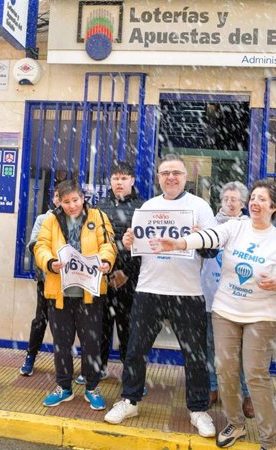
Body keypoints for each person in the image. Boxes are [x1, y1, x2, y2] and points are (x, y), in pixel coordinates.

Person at [150, 179, 276, 450]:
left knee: (255, 374)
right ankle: (236, 423)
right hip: (226, 311)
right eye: (253, 197)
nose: (255, 202)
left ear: (274, 207)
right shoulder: (236, 226)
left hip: (263, 315)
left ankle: (270, 439)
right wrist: (179, 243)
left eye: (262, 199)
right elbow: (209, 236)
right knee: (226, 371)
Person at [104, 154, 217, 438]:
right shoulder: (148, 206)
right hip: (149, 289)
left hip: (188, 292)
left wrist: (200, 236)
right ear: (157, 177)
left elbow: (213, 249)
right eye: (165, 172)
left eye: (176, 172)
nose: (170, 177)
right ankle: (129, 400)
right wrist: (129, 243)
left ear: (185, 176)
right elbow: (139, 248)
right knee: (135, 350)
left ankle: (198, 409)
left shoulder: (199, 207)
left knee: (195, 355)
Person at [33, 180, 116, 411]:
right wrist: (50, 262)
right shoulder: (50, 219)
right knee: (61, 343)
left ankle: (92, 387)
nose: (72, 206)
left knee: (91, 343)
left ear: (83, 198)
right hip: (59, 291)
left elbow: (108, 245)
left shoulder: (98, 217)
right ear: (59, 200)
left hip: (90, 292)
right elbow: (40, 246)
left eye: (76, 200)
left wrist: (107, 261)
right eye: (67, 201)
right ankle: (64, 387)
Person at [79, 162, 144, 384]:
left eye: (124, 178)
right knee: (101, 327)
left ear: (132, 181)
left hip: (130, 281)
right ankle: (98, 369)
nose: (119, 182)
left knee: (128, 330)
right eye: (115, 178)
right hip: (102, 277)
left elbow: (143, 248)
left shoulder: (143, 208)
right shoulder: (99, 207)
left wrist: (126, 272)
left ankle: (131, 377)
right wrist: (104, 271)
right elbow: (93, 242)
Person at [199, 181, 254, 417]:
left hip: (240, 298)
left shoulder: (251, 227)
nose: (230, 203)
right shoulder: (210, 224)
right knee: (211, 345)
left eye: (235, 199)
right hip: (212, 295)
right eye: (226, 199)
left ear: (243, 203)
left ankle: (246, 392)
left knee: (243, 349)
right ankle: (212, 387)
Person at [19, 188, 61, 376]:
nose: (61, 201)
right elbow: (33, 245)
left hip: (69, 282)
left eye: (65, 197)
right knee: (40, 319)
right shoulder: (43, 219)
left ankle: (66, 365)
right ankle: (30, 356)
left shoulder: (78, 219)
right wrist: (51, 253)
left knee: (65, 324)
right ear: (53, 198)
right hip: (47, 279)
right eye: (58, 196)